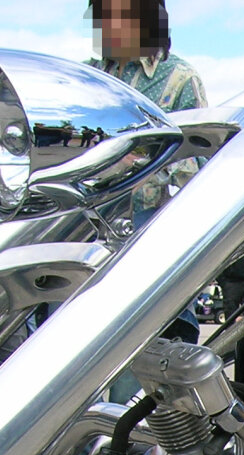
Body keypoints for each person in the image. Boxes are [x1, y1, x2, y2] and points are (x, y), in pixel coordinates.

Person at [89, 0, 208, 400]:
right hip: (90, 235)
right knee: (79, 367)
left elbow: (194, 166)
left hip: (148, 236)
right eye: (103, 13)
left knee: (135, 373)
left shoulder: (178, 79)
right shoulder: (90, 76)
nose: (109, 23)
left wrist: (132, 164)